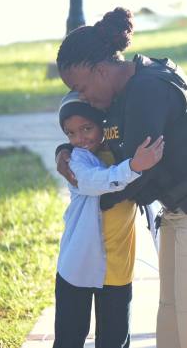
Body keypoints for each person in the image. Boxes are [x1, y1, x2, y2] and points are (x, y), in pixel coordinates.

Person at [54, 7, 187, 348]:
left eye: (81, 87)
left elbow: (136, 176)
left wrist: (93, 188)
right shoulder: (123, 91)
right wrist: (67, 150)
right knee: (174, 328)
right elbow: (103, 141)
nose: (82, 97)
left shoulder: (146, 90)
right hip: (182, 210)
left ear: (101, 70)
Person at [54, 96, 164, 348]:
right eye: (71, 133)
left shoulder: (121, 151)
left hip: (117, 268)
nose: (80, 138)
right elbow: (97, 182)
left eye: (86, 128)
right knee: (69, 338)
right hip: (78, 266)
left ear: (102, 125)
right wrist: (134, 166)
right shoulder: (76, 160)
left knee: (115, 339)